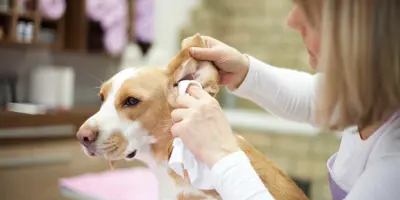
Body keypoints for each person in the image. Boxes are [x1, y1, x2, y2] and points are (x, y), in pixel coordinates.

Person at [171, 0, 400, 199]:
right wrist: (243, 71)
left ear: (364, 34)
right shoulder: (374, 92)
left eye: (312, 16)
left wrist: (222, 155)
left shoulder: (393, 168)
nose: (292, 20)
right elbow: (314, 97)